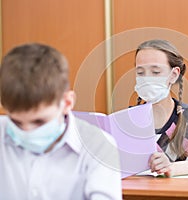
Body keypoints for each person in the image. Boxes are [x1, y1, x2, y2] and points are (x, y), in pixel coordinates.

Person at [0, 43, 122, 199]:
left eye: (39, 122)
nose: (26, 132)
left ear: (67, 103)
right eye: (16, 122)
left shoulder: (99, 146)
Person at [133, 39, 188, 177]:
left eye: (155, 72)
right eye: (140, 72)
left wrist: (171, 168)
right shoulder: (128, 119)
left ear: (174, 75)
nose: (147, 79)